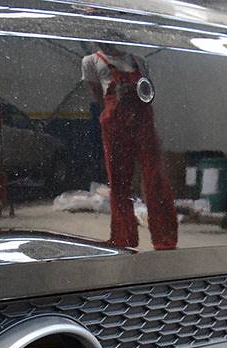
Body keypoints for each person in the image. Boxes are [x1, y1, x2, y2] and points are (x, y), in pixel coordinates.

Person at [81, 43, 177, 250]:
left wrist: (133, 94)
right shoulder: (91, 62)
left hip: (143, 120)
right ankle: (123, 237)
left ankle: (165, 238)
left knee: (155, 178)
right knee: (118, 181)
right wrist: (116, 100)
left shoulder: (139, 61)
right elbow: (98, 96)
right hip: (115, 122)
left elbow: (148, 93)